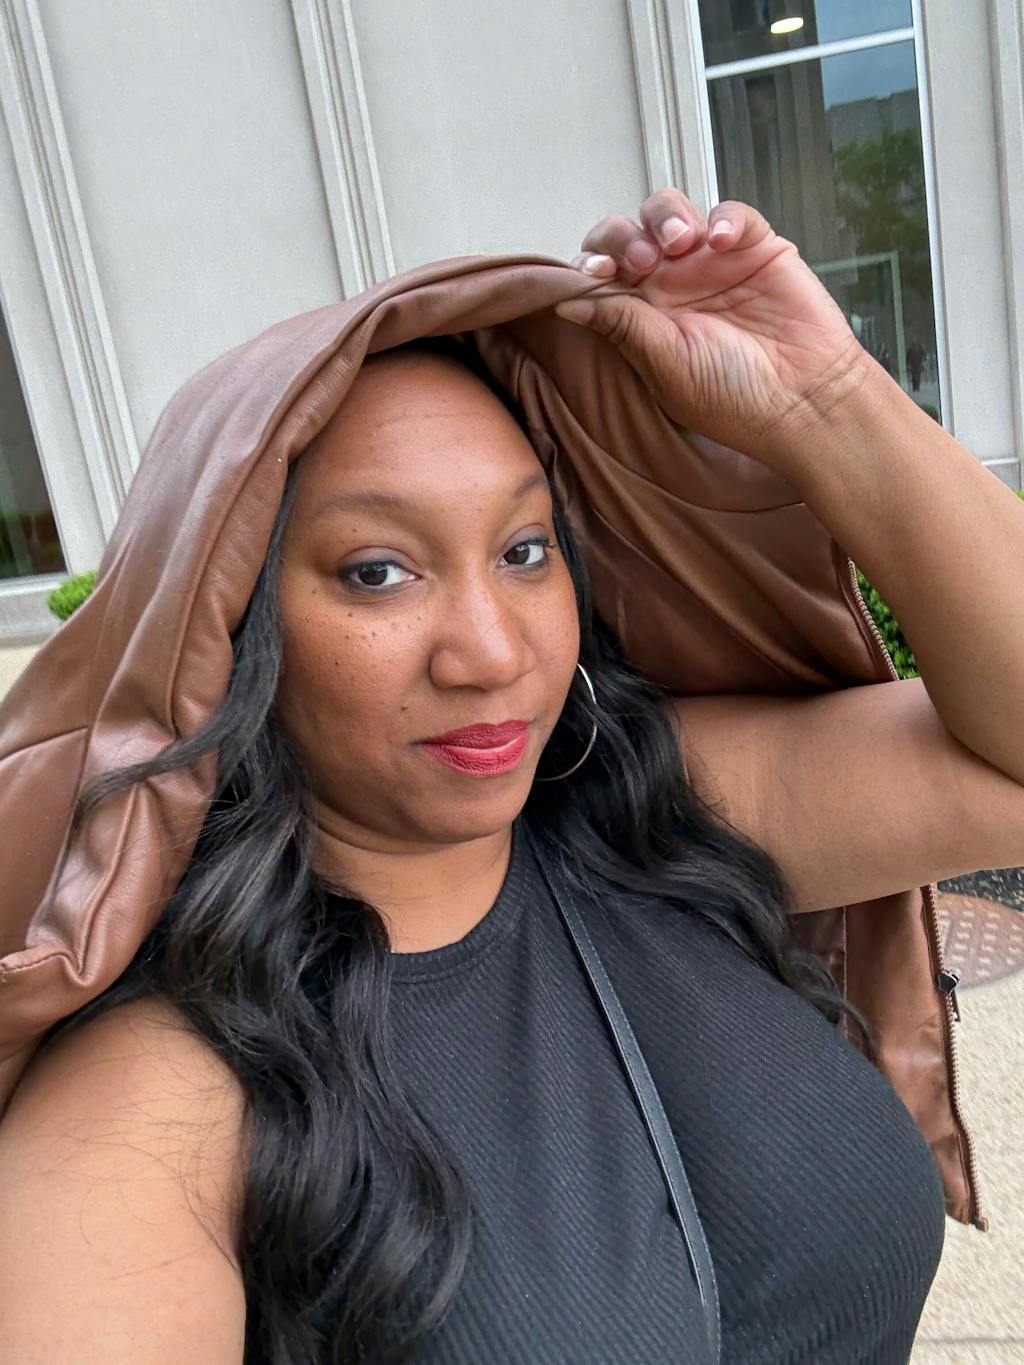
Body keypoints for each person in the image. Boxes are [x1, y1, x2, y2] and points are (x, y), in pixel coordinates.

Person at [1, 187, 1021, 1363]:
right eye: (378, 572)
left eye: (525, 551)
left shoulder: (654, 810)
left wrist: (825, 401)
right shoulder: (152, 1108)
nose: (490, 653)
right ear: (229, 632)